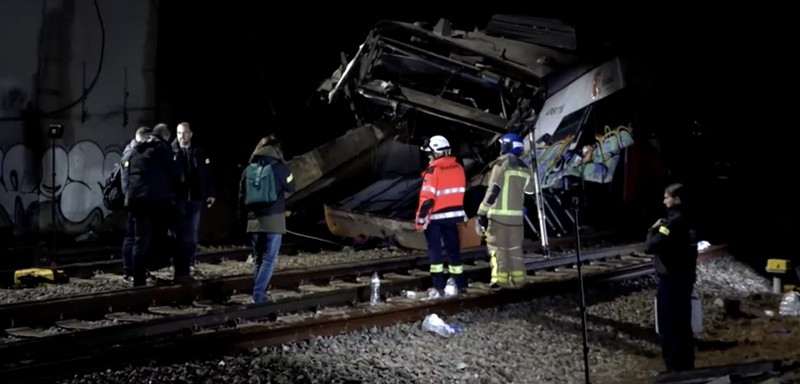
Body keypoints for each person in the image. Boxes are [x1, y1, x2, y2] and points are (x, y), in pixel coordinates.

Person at [645, 183, 697, 372]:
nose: (664, 200)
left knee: (668, 328)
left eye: (667, 197)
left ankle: (673, 368)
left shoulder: (672, 223)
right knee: (684, 327)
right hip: (685, 280)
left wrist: (652, 229)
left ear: (676, 199)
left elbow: (651, 246)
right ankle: (686, 366)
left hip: (671, 281)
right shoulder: (689, 220)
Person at [238, 135, 295, 303]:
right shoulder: (280, 168)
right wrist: (287, 170)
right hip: (274, 220)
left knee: (258, 259)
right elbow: (291, 186)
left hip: (253, 220)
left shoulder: (248, 170)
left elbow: (241, 197)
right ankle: (258, 295)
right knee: (269, 260)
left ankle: (257, 294)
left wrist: (243, 221)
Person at [476, 133, 535, 288]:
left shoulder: (501, 164)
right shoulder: (525, 168)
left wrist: (481, 212)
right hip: (516, 220)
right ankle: (519, 280)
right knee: (515, 249)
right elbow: (530, 195)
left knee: (497, 249)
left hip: (498, 218)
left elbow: (493, 190)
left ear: (506, 146)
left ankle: (500, 280)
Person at [415, 135, 467, 298]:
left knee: (435, 252)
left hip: (435, 218)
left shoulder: (433, 171)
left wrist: (420, 221)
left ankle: (438, 286)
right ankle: (459, 283)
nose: (429, 157)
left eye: (430, 153)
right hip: (453, 217)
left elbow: (427, 200)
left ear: (436, 152)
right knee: (453, 250)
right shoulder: (458, 168)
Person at [172, 122, 216, 269]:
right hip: (178, 199)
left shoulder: (198, 152)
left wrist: (210, 193)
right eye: (179, 133)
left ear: (190, 134)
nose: (181, 136)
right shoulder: (171, 152)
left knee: (192, 233)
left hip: (195, 198)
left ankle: (189, 261)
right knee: (178, 233)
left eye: (184, 133)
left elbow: (207, 174)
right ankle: (178, 262)